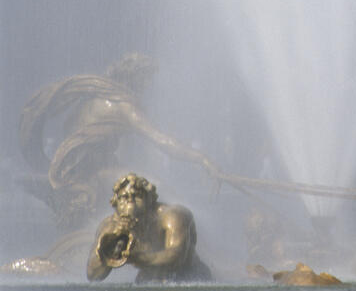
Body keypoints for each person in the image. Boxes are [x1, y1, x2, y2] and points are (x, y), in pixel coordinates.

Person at [18, 53, 223, 229]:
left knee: (141, 188)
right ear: (135, 77)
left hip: (76, 167)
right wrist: (202, 159)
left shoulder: (96, 94)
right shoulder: (122, 104)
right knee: (159, 190)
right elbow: (161, 141)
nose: (149, 85)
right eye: (147, 79)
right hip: (86, 172)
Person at [87, 173, 212, 283]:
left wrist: (138, 258)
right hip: (149, 279)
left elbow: (176, 257)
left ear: (150, 200)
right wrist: (110, 249)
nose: (130, 203)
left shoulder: (172, 216)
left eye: (137, 196)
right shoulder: (110, 225)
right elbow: (93, 275)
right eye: (124, 198)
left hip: (191, 277)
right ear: (115, 202)